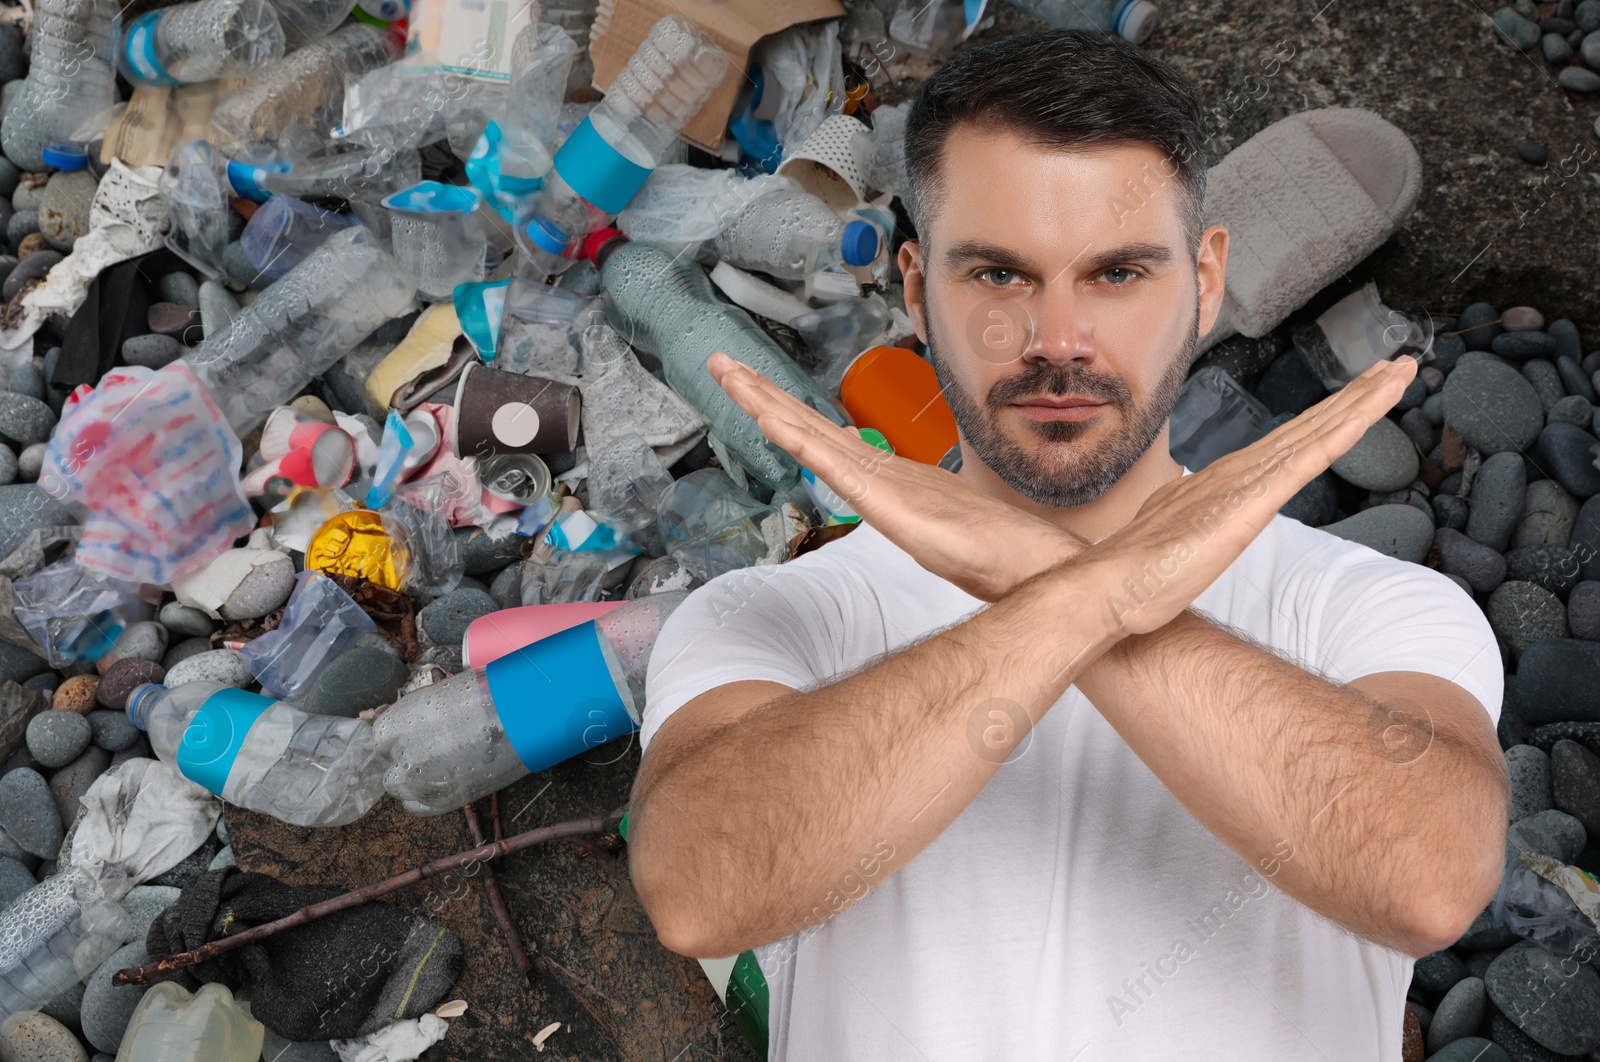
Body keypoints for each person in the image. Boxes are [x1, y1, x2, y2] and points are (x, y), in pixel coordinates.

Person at [626, 29, 1509, 1062]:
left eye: (1118, 273)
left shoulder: (1365, 607)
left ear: (1206, 280)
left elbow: (1428, 879)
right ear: (915, 291)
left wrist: (1041, 578)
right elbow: (698, 890)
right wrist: (1098, 588)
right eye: (998, 274)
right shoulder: (770, 616)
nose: (1054, 339)